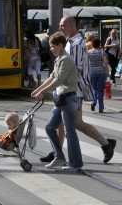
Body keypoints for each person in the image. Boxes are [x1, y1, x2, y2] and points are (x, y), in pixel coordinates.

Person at [40, 16, 116, 164]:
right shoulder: (70, 42)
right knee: (62, 122)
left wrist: (58, 79)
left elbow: (76, 67)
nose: (60, 27)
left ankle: (106, 144)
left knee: (75, 123)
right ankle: (58, 153)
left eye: (63, 25)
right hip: (66, 89)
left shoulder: (78, 44)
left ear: (72, 26)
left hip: (75, 89)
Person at [32, 32, 83, 171]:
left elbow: (58, 80)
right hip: (61, 99)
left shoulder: (66, 59)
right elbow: (51, 77)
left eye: (53, 46)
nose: (51, 49)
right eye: (51, 46)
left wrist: (42, 92)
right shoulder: (59, 58)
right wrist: (39, 89)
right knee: (49, 128)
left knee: (69, 132)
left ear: (61, 45)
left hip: (68, 98)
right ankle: (59, 157)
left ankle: (75, 164)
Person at [88, 38, 109, 113]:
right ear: (99, 44)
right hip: (101, 72)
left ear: (92, 44)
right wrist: (107, 71)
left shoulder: (88, 52)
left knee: (93, 88)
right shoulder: (102, 52)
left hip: (92, 72)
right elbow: (105, 62)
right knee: (100, 90)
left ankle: (93, 102)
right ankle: (101, 107)